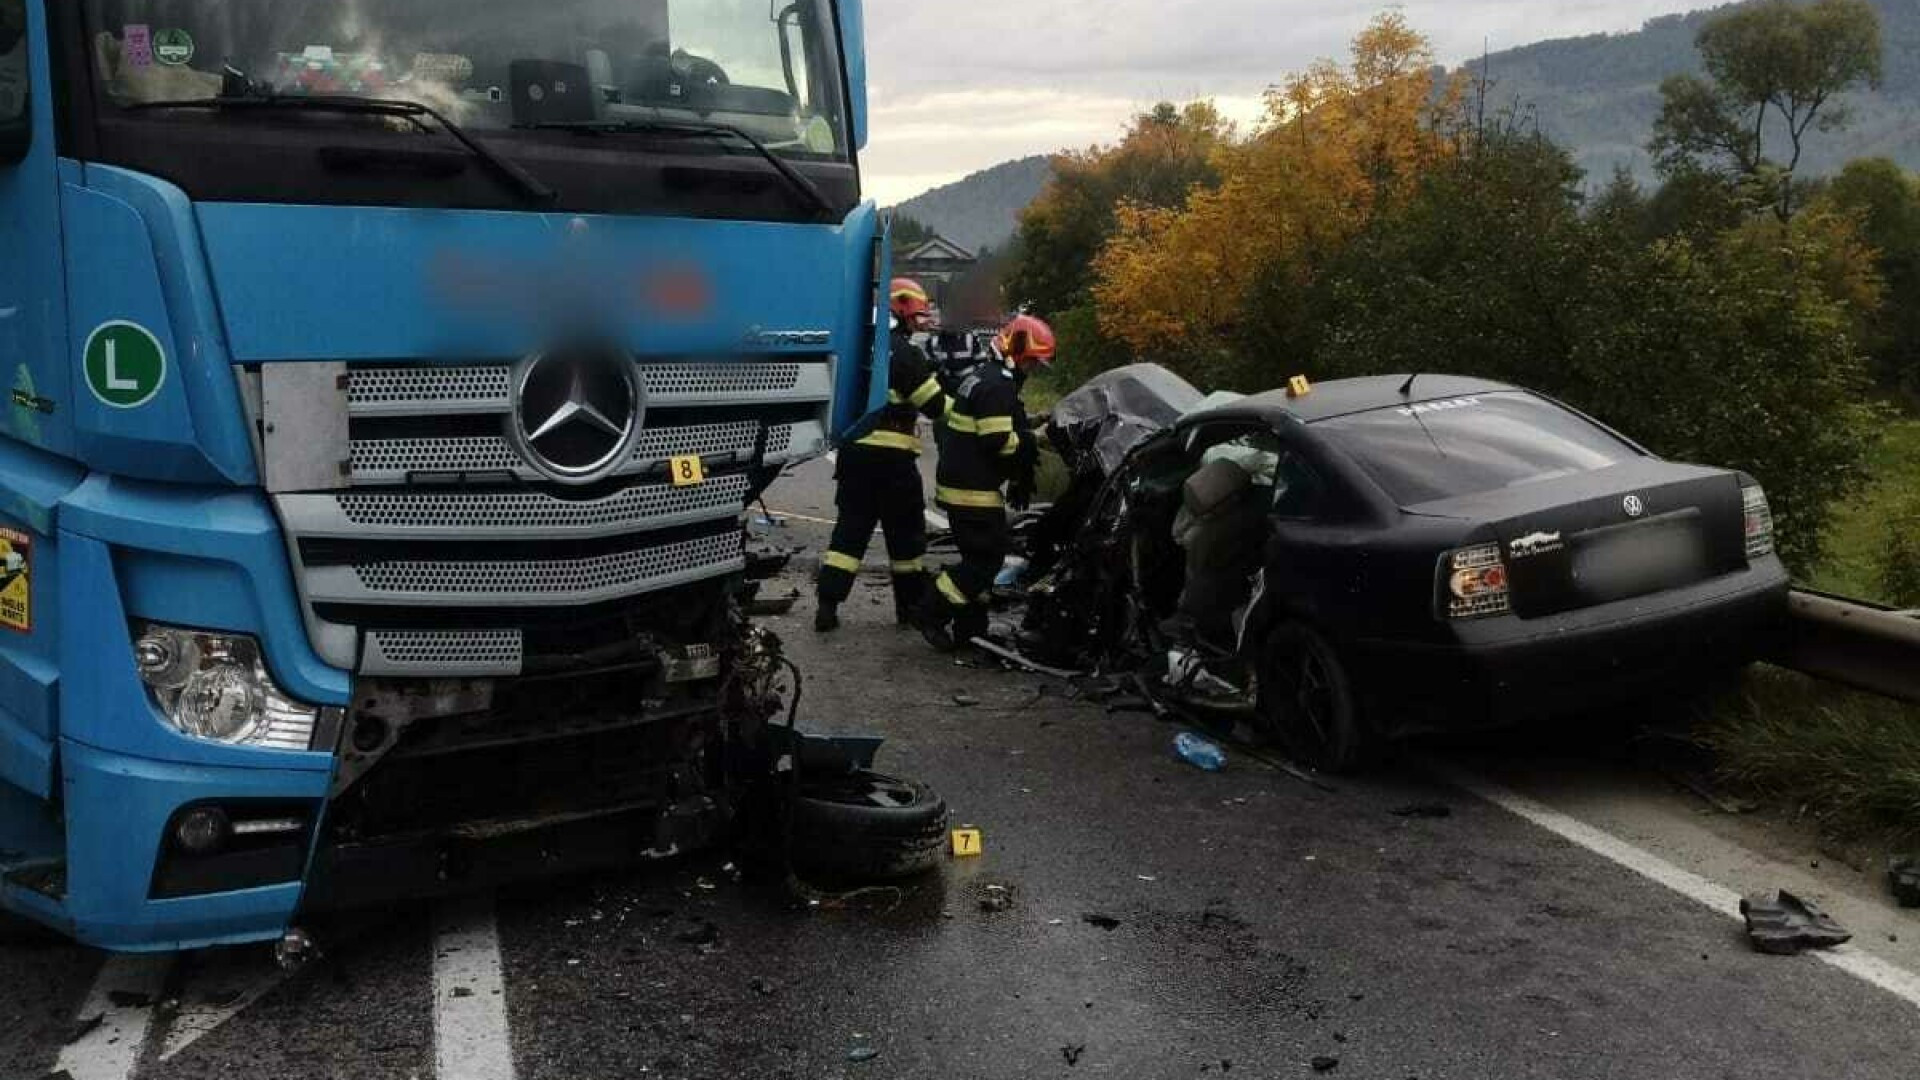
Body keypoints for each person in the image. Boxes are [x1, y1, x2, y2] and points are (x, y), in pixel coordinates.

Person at [814, 278, 948, 632]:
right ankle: (910, 608)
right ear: (901, 310)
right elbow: (935, 406)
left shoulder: (859, 345)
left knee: (849, 533)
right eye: (915, 315)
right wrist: (963, 405)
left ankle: (827, 605)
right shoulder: (905, 352)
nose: (918, 322)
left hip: (854, 453)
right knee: (906, 536)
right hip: (893, 461)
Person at [914, 314, 1054, 651]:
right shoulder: (997, 385)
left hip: (965, 485)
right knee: (985, 562)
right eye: (1031, 362)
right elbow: (997, 441)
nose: (1031, 370)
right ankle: (930, 611)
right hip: (972, 491)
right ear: (1015, 351)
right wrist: (1035, 438)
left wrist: (1032, 422)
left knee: (976, 560)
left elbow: (995, 423)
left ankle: (971, 630)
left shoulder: (986, 378)